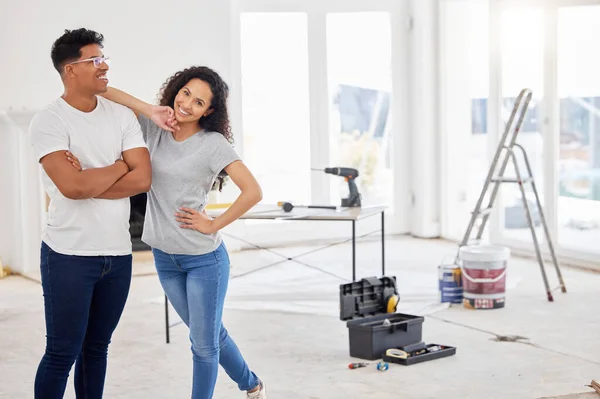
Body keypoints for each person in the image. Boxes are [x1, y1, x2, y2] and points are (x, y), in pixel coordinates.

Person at [68, 66, 267, 398]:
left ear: (209, 112)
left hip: (204, 261)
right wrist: (150, 110)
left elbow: (253, 191)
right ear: (176, 88)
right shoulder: (155, 129)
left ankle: (245, 385)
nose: (187, 104)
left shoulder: (213, 144)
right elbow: (103, 91)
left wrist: (214, 224)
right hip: (165, 258)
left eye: (199, 102)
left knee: (202, 345)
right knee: (210, 335)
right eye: (186, 92)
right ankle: (252, 384)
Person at [29, 28, 151, 398]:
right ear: (70, 70)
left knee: (96, 350)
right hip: (68, 255)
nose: (104, 65)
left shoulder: (121, 116)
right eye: (95, 60)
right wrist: (118, 166)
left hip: (117, 255)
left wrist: (91, 177)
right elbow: (73, 188)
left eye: (104, 58)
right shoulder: (49, 121)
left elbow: (143, 178)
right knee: (62, 352)